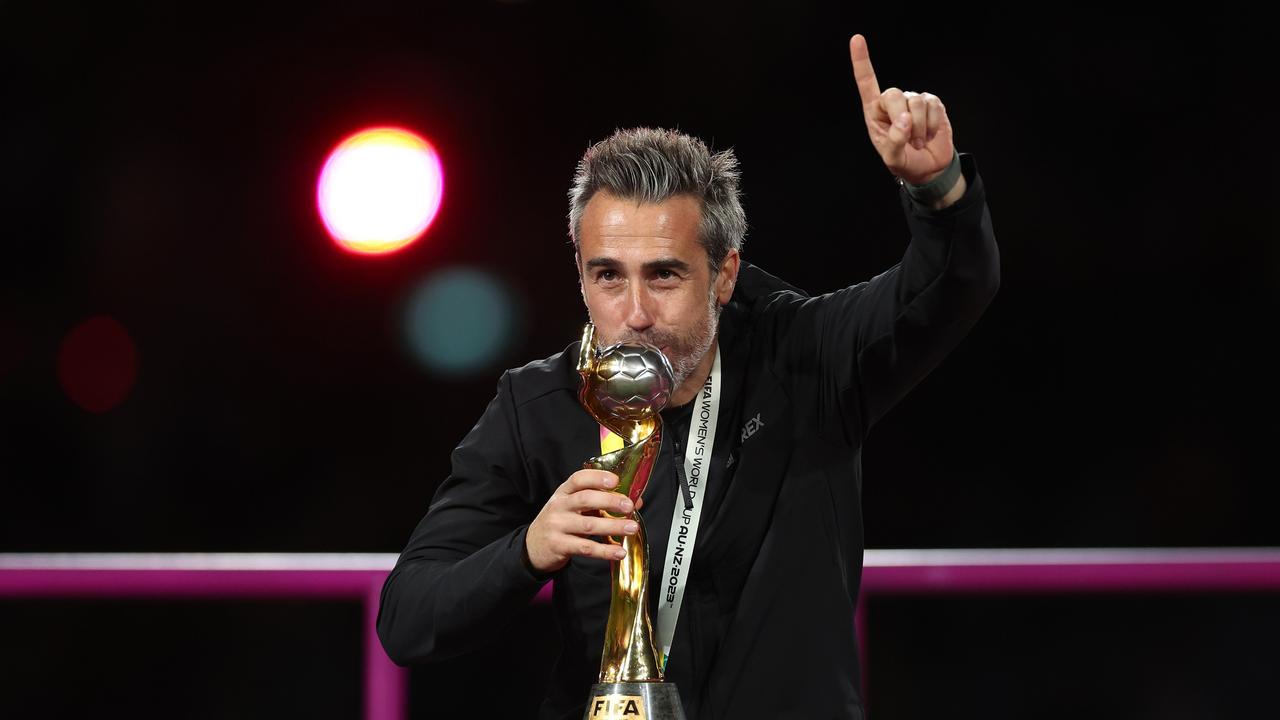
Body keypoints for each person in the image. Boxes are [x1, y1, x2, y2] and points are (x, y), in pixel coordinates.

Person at [377, 34, 999, 719]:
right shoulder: (537, 403)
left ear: (724, 273)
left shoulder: (805, 356)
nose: (635, 314)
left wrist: (937, 192)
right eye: (607, 275)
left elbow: (946, 289)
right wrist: (528, 548)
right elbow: (408, 618)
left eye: (665, 274)